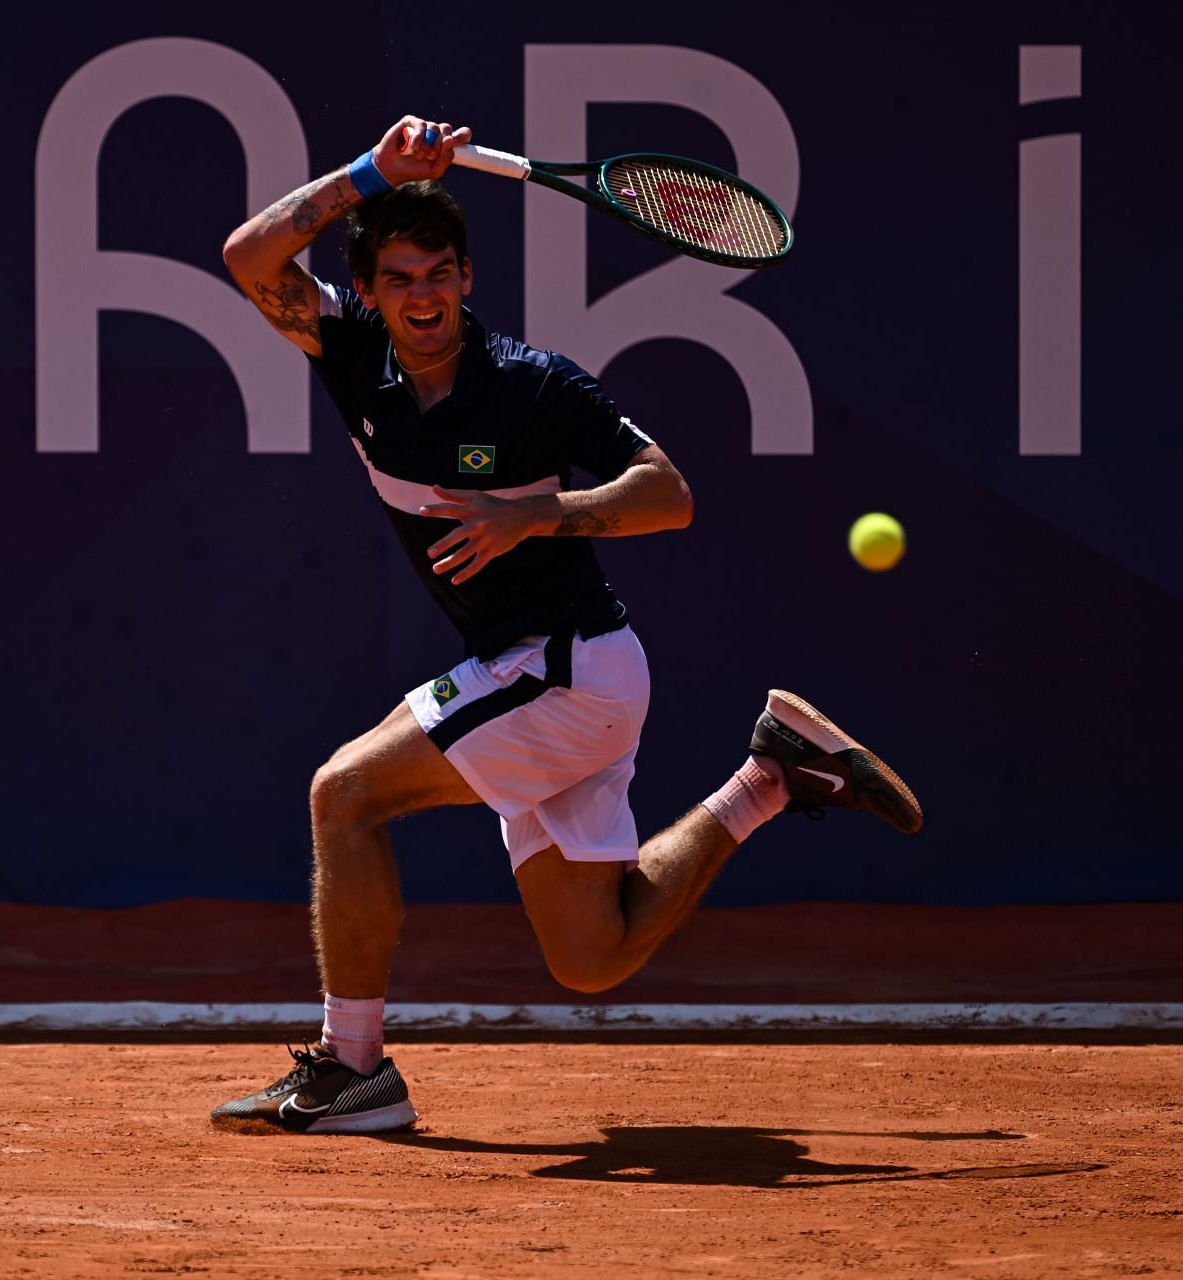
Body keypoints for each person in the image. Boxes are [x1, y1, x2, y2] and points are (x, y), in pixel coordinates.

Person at [210, 116, 922, 1134]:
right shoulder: (351, 350)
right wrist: (374, 171)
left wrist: (540, 511)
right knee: (591, 956)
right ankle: (769, 777)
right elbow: (249, 256)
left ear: (467, 276)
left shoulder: (533, 384)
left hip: (568, 668)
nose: (425, 295)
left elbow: (669, 492)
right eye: (402, 276)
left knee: (345, 794)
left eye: (443, 273)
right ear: (368, 289)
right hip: (546, 673)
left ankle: (352, 1069)